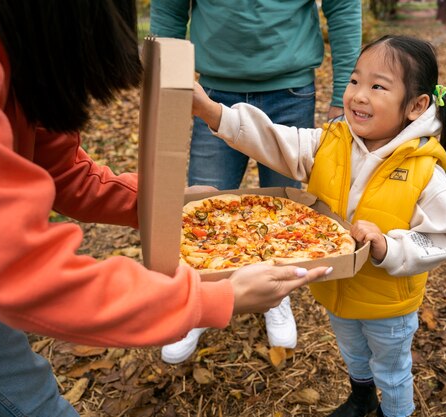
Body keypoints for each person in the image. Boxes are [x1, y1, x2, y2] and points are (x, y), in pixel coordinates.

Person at [0, 1, 332, 416]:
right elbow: (17, 271)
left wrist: (165, 201)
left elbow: (61, 172)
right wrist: (209, 299)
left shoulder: (23, 60)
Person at [190, 34, 446, 417]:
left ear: (416, 106)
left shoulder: (424, 171)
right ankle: (360, 398)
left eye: (377, 86)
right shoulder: (331, 141)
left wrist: (388, 246)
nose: (358, 94)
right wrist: (213, 112)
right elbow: (275, 140)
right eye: (355, 80)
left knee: (391, 371)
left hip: (387, 304)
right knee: (353, 353)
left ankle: (396, 410)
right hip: (337, 292)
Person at [150, 0, 362, 364]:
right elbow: (168, 9)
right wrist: (165, 80)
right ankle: (198, 302)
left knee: (287, 217)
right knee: (203, 211)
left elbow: (343, 7)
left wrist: (344, 89)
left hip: (291, 90)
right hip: (211, 90)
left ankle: (276, 297)